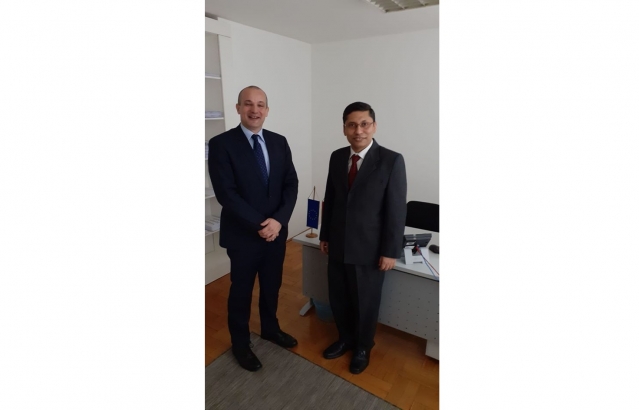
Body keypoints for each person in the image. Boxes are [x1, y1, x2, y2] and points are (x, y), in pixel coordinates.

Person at [208, 86, 299, 372]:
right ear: (238, 108)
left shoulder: (279, 142)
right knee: (241, 292)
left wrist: (278, 221)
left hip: (276, 233)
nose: (254, 110)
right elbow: (227, 193)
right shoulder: (221, 144)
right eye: (248, 104)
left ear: (267, 110)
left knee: (272, 286)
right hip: (243, 236)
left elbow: (290, 184)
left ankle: (270, 328)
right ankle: (240, 343)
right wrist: (261, 225)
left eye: (260, 104)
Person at [319, 101, 407, 374]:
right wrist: (325, 234)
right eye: (352, 125)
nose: (358, 130)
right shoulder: (336, 157)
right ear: (344, 128)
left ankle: (363, 346)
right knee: (339, 297)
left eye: (364, 124)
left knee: (365, 302)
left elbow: (396, 210)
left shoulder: (391, 160)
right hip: (338, 244)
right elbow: (331, 198)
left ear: (374, 126)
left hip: (369, 249)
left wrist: (390, 251)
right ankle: (345, 338)